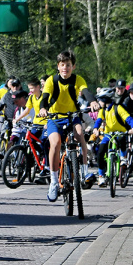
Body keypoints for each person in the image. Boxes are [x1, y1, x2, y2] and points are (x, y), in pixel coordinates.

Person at [37, 51, 92, 203]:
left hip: (72, 116)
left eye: (68, 65)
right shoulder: (51, 80)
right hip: (55, 118)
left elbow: (86, 92)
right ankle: (54, 182)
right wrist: (43, 108)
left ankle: (85, 172)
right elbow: (45, 97)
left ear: (73, 66)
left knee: (80, 134)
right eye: (62, 65)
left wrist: (93, 101)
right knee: (55, 143)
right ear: (58, 66)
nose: (65, 68)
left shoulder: (77, 79)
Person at [88, 90, 133, 185]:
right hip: (108, 134)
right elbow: (98, 121)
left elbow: (129, 119)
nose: (99, 102)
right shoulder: (102, 111)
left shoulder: (117, 108)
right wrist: (95, 129)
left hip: (120, 132)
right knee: (100, 153)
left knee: (121, 138)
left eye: (100, 100)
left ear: (105, 100)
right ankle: (101, 176)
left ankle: (123, 158)